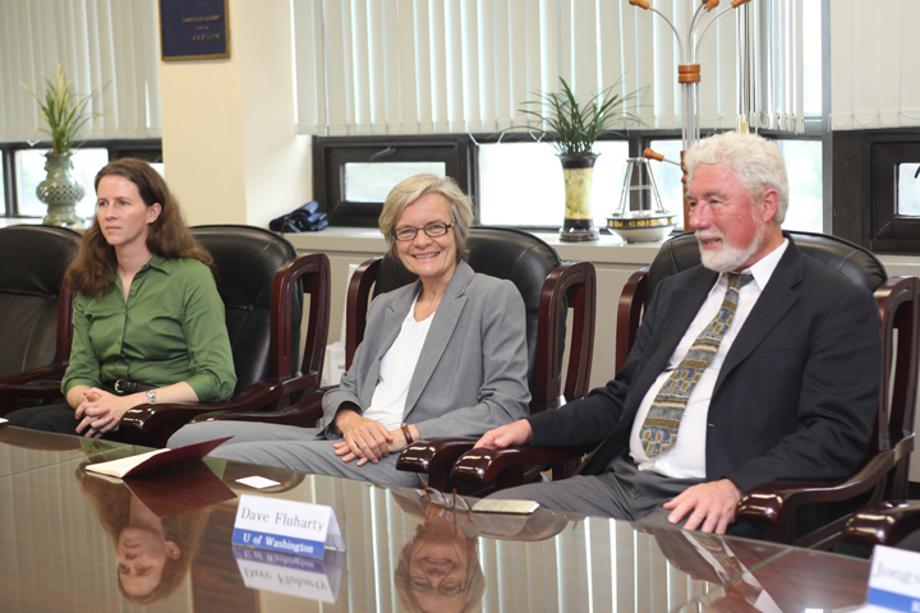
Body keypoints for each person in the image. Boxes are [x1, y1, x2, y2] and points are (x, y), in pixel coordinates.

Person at [476, 131, 881, 535]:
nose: (696, 220)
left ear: (767, 204)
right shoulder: (679, 290)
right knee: (494, 516)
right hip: (622, 485)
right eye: (692, 202)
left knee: (651, 570)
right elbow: (622, 398)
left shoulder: (833, 301)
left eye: (714, 202)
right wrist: (533, 427)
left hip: (720, 499)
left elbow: (835, 434)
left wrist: (737, 486)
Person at [168, 174, 531, 487]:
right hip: (353, 440)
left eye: (435, 227)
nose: (421, 242)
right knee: (187, 438)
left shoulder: (493, 296)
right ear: (394, 242)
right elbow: (347, 387)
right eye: (406, 231)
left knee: (225, 458)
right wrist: (351, 420)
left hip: (414, 455)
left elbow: (504, 407)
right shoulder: (388, 305)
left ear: (458, 231)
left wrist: (404, 435)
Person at [7, 158, 236, 440]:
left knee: (44, 432)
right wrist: (90, 402)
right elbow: (78, 374)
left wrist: (129, 404)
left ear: (152, 212)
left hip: (166, 413)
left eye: (122, 203)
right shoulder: (90, 277)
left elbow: (217, 378)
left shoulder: (191, 277)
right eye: (102, 203)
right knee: (12, 425)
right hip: (107, 404)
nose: (109, 214)